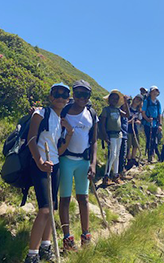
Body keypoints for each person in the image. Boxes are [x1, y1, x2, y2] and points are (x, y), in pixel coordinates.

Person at [25, 83, 73, 263]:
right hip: (40, 165)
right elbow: (31, 139)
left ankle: (45, 246)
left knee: (51, 209)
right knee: (45, 210)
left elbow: (59, 151)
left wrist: (69, 132)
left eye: (64, 95)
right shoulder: (41, 113)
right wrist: (39, 162)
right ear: (51, 97)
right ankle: (32, 255)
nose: (60, 98)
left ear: (68, 99)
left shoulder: (61, 120)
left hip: (55, 165)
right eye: (56, 94)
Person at [58, 80, 98, 251]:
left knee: (84, 198)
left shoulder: (91, 113)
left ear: (89, 96)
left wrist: (94, 163)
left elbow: (94, 140)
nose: (81, 98)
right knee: (65, 199)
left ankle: (86, 235)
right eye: (78, 94)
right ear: (73, 94)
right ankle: (67, 238)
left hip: (83, 161)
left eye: (85, 94)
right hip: (66, 160)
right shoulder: (64, 111)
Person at [100, 89, 129, 186]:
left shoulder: (117, 110)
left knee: (116, 156)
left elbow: (127, 115)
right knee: (112, 155)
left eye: (116, 99)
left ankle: (115, 175)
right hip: (111, 135)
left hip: (118, 135)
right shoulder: (106, 110)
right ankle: (106, 176)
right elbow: (102, 124)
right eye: (113, 98)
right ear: (109, 99)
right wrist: (105, 136)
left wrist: (126, 102)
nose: (114, 100)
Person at [142, 86, 162, 162]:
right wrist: (147, 119)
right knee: (149, 139)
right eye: (153, 91)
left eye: (156, 91)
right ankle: (150, 156)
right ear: (150, 92)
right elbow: (143, 112)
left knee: (154, 140)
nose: (155, 92)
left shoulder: (158, 102)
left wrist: (160, 125)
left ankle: (154, 154)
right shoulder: (147, 101)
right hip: (147, 123)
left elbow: (160, 114)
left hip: (155, 124)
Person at [126, 95, 143, 169]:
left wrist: (138, 121)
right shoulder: (128, 108)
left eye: (139, 100)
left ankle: (133, 158)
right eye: (137, 99)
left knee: (136, 144)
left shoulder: (138, 111)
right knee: (128, 145)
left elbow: (140, 119)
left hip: (134, 129)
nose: (137, 101)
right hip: (127, 129)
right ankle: (128, 159)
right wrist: (129, 122)